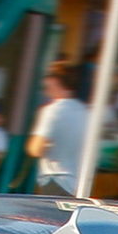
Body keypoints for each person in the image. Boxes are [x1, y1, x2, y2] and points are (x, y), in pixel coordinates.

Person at [26, 63, 90, 193]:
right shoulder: (85, 112)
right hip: (76, 185)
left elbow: (35, 149)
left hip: (55, 181)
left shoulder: (52, 110)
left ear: (55, 80)